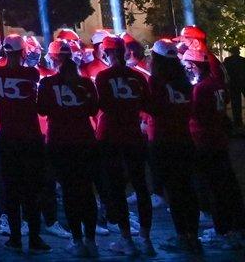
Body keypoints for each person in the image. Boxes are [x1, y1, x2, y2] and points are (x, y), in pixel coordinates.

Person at [37, 40, 99, 258]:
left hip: (60, 141)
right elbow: (93, 110)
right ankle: (91, 239)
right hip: (85, 140)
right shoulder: (86, 83)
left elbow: (42, 110)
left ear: (54, 59)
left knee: (70, 192)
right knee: (86, 191)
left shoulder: (48, 83)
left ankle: (77, 240)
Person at [0, 34, 48, 253]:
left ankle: (15, 237)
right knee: (32, 190)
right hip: (30, 135)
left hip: (7, 135)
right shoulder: (31, 73)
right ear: (23, 52)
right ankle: (34, 237)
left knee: (11, 188)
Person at [93, 34, 152, 256]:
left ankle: (126, 239)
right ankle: (146, 238)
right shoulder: (138, 77)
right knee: (140, 185)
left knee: (116, 188)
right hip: (133, 134)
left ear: (107, 53)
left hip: (110, 134)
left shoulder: (103, 76)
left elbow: (100, 104)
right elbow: (147, 104)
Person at [184, 47, 245, 249]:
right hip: (218, 140)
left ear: (194, 66)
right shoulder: (216, 84)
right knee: (227, 184)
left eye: (188, 66)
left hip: (204, 141)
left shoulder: (200, 88)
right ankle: (236, 227)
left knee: (214, 188)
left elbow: (194, 113)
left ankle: (224, 231)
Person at [144, 39, 201, 254]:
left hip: (163, 140)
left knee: (174, 191)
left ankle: (182, 236)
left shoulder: (155, 81)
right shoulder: (185, 81)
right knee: (187, 188)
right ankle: (193, 235)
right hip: (184, 139)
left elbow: (151, 107)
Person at [223, 47, 244, 129]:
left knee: (236, 104)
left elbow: (225, 71)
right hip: (242, 82)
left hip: (233, 84)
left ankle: (238, 121)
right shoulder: (243, 60)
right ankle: (238, 122)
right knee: (236, 103)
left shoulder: (228, 60)